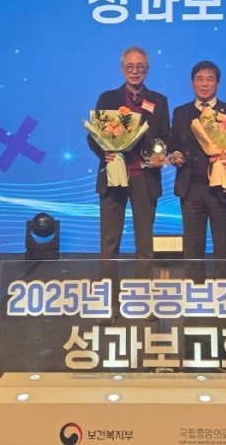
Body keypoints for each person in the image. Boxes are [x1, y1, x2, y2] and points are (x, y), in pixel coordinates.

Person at [87, 46, 170, 320]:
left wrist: (160, 154)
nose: (135, 71)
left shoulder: (158, 101)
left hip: (144, 178)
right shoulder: (107, 98)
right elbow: (93, 135)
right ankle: (108, 304)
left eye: (140, 66)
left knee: (144, 244)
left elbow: (165, 137)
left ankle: (141, 302)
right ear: (123, 69)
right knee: (110, 243)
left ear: (147, 69)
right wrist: (105, 152)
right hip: (113, 177)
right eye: (130, 66)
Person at [170, 60, 226, 280]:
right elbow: (174, 144)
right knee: (192, 245)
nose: (204, 84)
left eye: (209, 79)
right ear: (192, 83)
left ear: (218, 83)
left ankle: (225, 291)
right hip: (191, 188)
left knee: (223, 244)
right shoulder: (181, 112)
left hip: (221, 188)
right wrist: (174, 155)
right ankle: (195, 291)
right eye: (200, 79)